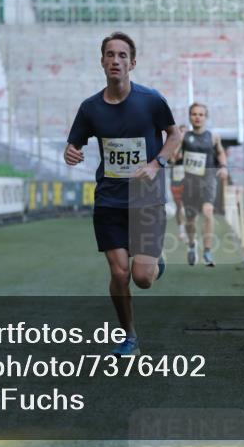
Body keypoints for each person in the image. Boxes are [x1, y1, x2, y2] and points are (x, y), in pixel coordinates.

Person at [65, 32, 182, 357]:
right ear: (102, 61)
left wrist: (157, 163)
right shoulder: (90, 108)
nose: (115, 60)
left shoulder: (151, 100)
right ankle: (129, 336)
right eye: (110, 55)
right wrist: (70, 153)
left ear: (132, 62)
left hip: (146, 200)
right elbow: (74, 144)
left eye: (122, 55)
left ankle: (154, 262)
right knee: (119, 273)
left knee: (142, 278)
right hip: (109, 201)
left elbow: (174, 135)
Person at [180, 103, 228, 267]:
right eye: (194, 114)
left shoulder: (213, 136)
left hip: (208, 179)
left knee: (208, 212)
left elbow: (220, 152)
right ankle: (192, 244)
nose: (197, 117)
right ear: (190, 117)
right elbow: (174, 157)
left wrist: (223, 167)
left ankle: (207, 251)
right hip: (190, 181)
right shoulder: (184, 136)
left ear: (205, 117)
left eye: (201, 114)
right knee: (190, 219)